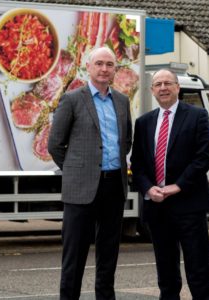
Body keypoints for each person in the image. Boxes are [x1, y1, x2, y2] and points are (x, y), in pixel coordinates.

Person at [48, 46, 132, 300]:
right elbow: (55, 144)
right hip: (81, 189)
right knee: (74, 255)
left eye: (109, 64)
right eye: (99, 64)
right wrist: (77, 170)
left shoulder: (122, 101)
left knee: (108, 255)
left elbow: (126, 140)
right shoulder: (73, 99)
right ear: (89, 67)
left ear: (115, 69)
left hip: (113, 187)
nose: (104, 69)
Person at [130, 69, 209, 299]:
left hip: (189, 205)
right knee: (166, 275)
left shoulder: (197, 116)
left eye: (168, 83)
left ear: (178, 87)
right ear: (152, 90)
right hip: (158, 208)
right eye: (158, 84)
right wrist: (149, 188)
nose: (163, 87)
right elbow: (137, 164)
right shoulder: (144, 122)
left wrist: (177, 186)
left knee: (198, 271)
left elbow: (204, 157)